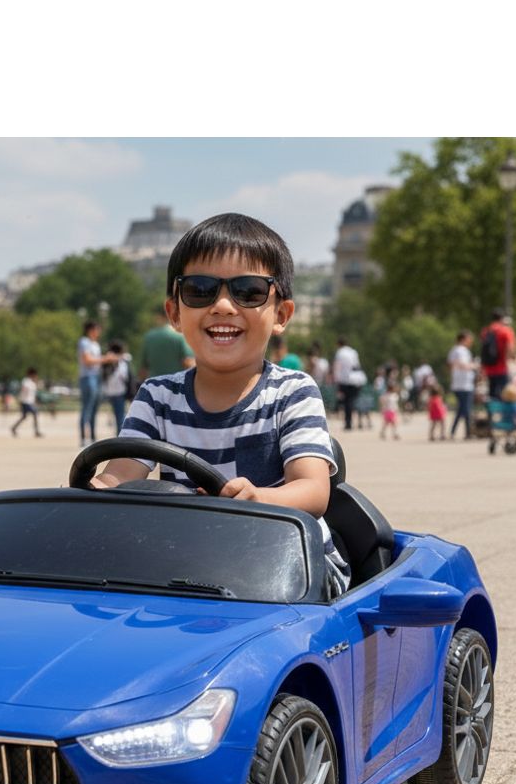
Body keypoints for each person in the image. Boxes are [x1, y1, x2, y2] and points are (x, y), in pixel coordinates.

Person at [88, 212, 350, 597]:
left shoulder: (292, 391)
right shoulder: (157, 395)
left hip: (290, 567)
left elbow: (312, 490)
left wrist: (259, 498)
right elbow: (118, 476)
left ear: (281, 315)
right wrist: (90, 491)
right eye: (200, 290)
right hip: (192, 566)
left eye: (248, 292)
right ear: (175, 313)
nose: (224, 306)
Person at [76, 320, 118, 443]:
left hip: (97, 377)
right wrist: (106, 359)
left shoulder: (95, 344)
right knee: (87, 407)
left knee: (94, 408)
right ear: (90, 330)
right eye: (97, 329)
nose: (98, 332)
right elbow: (87, 360)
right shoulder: (84, 342)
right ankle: (84, 437)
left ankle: (93, 436)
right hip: (87, 377)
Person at [137, 305, 195, 383]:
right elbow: (188, 362)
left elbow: (143, 369)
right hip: (176, 387)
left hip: (154, 387)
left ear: (158, 317)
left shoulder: (149, 337)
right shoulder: (180, 336)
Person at [479, 309, 516, 402]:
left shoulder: (486, 330)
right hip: (502, 366)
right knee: (504, 392)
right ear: (502, 318)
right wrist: (512, 359)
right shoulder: (505, 330)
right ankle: (504, 414)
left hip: (489, 367)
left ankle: (492, 413)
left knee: (492, 392)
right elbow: (510, 347)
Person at [447, 330, 477, 439]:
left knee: (461, 410)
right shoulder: (461, 351)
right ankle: (468, 433)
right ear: (464, 339)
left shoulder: (454, 350)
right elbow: (463, 365)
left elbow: (451, 365)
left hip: (458, 384)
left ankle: (453, 432)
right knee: (467, 409)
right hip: (464, 385)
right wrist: (474, 366)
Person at [332, 334, 362, 430]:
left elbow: (337, 367)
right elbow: (357, 365)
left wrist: (336, 379)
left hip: (345, 379)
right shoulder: (353, 352)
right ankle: (357, 422)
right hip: (357, 378)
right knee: (352, 401)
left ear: (338, 344)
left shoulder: (340, 352)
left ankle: (348, 423)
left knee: (347, 402)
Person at [102, 342, 131, 432]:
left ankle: (120, 435)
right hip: (119, 391)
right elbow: (124, 375)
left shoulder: (107, 362)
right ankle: (120, 436)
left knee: (119, 416)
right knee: (120, 417)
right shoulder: (120, 362)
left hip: (111, 392)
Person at [10, 367, 43, 437]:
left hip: (29, 402)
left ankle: (14, 428)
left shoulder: (32, 382)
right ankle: (36, 431)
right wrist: (21, 399)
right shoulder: (26, 381)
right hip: (26, 402)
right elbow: (24, 391)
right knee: (35, 413)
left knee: (24, 416)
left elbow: (33, 393)